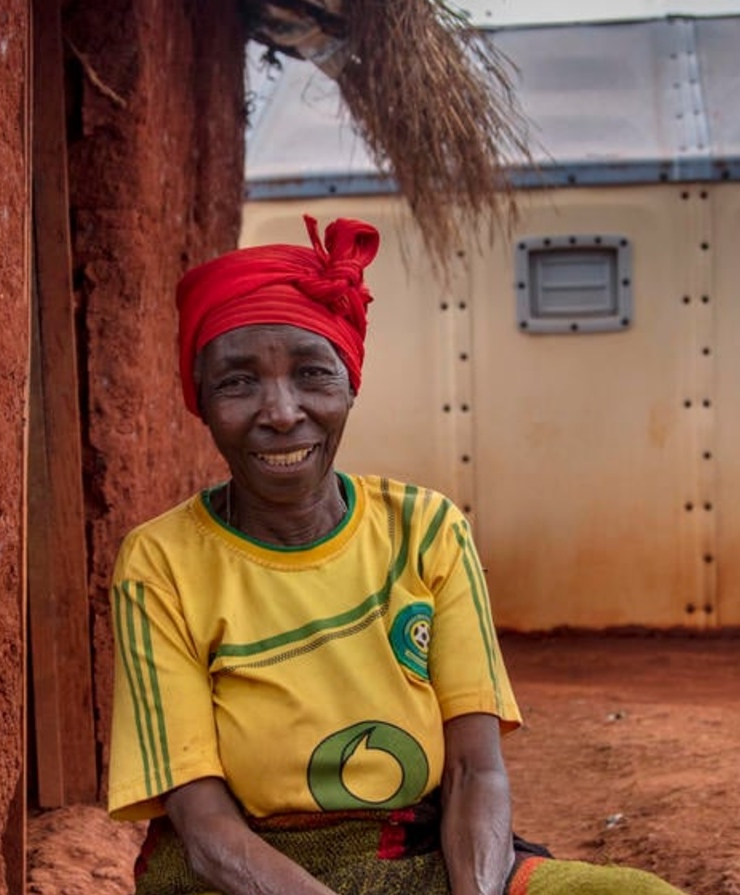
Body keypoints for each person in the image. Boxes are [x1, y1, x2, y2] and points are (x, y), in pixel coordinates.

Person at [107, 216, 683, 895]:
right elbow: (205, 829)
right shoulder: (161, 563)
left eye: (312, 373)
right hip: (244, 877)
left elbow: (475, 770)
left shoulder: (428, 530)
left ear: (350, 383)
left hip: (422, 858)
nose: (283, 411)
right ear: (199, 399)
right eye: (238, 382)